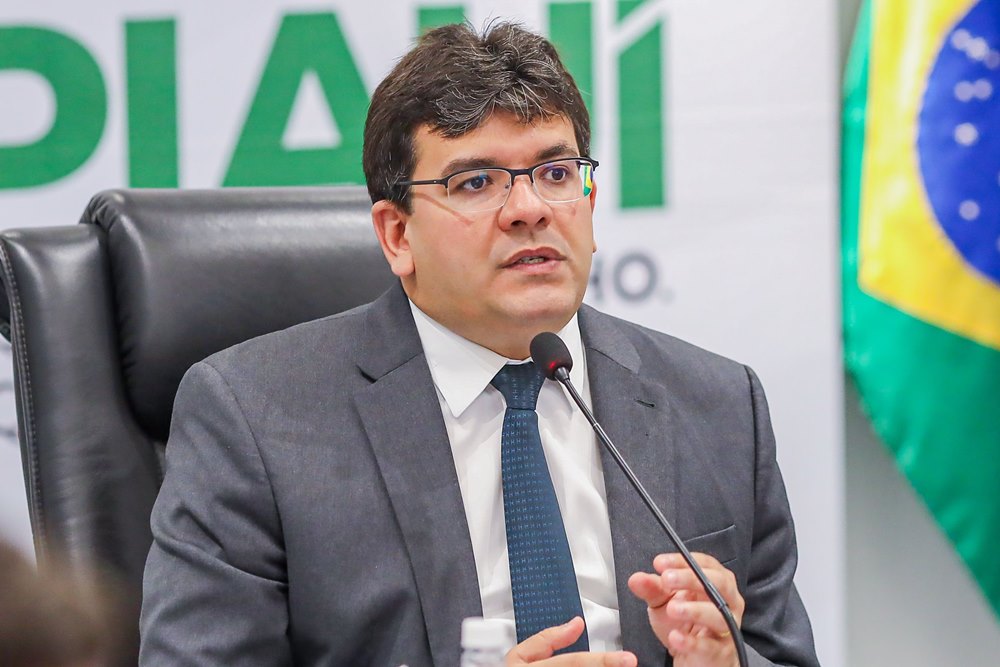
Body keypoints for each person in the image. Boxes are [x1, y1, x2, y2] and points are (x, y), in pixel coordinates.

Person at [140, 21, 819, 667]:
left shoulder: (718, 406)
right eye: (475, 182)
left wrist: (726, 659)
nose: (529, 209)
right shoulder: (255, 419)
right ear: (397, 235)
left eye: (557, 173)